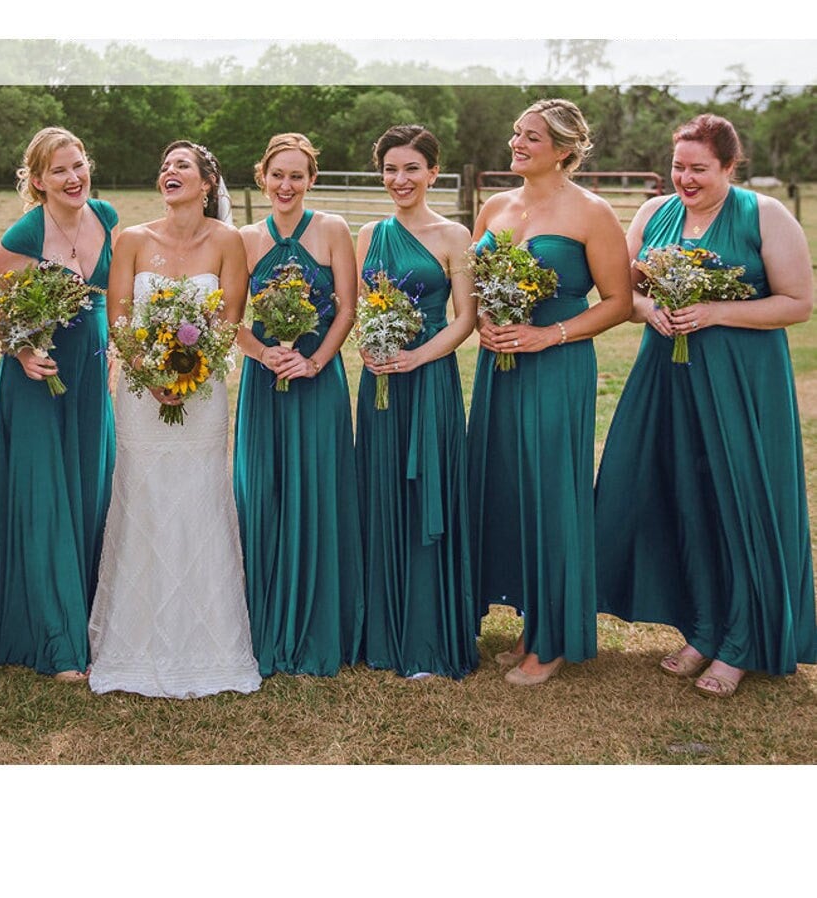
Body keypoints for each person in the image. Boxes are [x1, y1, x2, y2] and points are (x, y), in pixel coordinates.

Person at [595, 113, 816, 698]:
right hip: (667, 377)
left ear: (728, 166)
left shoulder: (765, 215)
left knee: (738, 499)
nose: (685, 179)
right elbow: (626, 291)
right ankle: (702, 628)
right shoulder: (653, 214)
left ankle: (742, 642)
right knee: (682, 497)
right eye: (678, 167)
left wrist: (716, 312)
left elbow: (798, 302)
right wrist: (650, 311)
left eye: (699, 169)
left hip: (742, 381)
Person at [466, 99, 632, 686]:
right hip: (499, 365)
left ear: (563, 150)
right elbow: (476, 281)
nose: (517, 142)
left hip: (557, 364)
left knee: (550, 489)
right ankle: (526, 618)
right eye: (516, 132)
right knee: (505, 483)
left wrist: (549, 334)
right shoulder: (494, 205)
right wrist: (486, 317)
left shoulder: (592, 213)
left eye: (531, 136)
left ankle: (554, 636)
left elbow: (619, 302)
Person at [88, 140, 262, 698]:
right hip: (141, 393)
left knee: (200, 499)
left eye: (181, 166)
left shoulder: (228, 242)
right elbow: (118, 316)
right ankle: (133, 641)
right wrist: (152, 371)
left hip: (203, 391)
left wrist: (188, 373)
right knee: (143, 497)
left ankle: (208, 643)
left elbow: (228, 319)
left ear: (207, 183)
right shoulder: (133, 239)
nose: (169, 172)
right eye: (164, 166)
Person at [0, 127, 116, 680]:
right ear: (37, 180)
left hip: (90, 375)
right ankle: (58, 643)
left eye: (78, 164)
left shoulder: (105, 216)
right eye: (59, 170)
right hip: (40, 379)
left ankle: (91, 618)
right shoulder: (23, 233)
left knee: (89, 494)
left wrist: (119, 351)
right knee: (46, 501)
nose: (73, 177)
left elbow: (116, 293)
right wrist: (21, 352)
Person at [233, 133, 363, 677]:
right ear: (262, 176)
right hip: (263, 384)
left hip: (318, 381)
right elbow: (230, 317)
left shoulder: (333, 230)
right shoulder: (241, 239)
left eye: (298, 176)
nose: (286, 186)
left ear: (311, 180)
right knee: (263, 492)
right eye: (277, 175)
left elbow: (347, 310)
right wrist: (265, 353)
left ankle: (318, 622)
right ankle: (264, 623)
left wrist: (313, 362)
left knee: (318, 491)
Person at [354, 124, 478, 680]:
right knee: (380, 491)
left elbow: (468, 320)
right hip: (380, 380)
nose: (399, 179)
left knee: (426, 489)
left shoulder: (455, 235)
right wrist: (370, 349)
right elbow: (360, 307)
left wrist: (419, 357)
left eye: (410, 168)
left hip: (429, 379)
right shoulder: (368, 234)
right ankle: (381, 630)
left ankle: (428, 636)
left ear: (432, 171)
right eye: (389, 169)